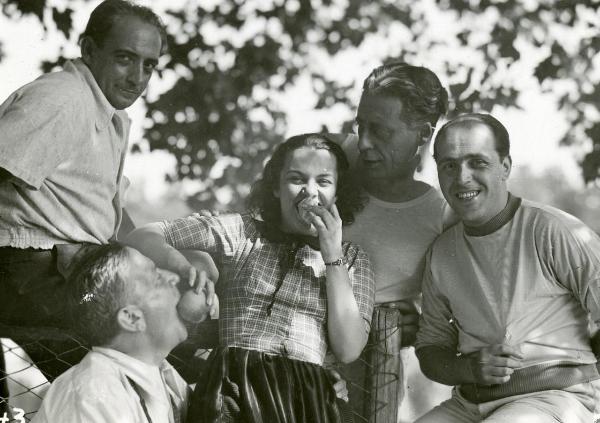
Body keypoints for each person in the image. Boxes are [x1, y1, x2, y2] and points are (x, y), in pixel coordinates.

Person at [125, 133, 375, 422]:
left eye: (323, 181)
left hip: (305, 400)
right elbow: (143, 235)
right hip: (234, 391)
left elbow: (348, 349)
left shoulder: (353, 260)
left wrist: (332, 255)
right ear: (276, 188)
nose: (310, 192)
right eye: (296, 179)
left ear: (337, 193)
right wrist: (183, 266)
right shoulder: (243, 233)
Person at [0, 0, 170, 381]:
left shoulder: (110, 114)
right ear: (89, 49)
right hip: (34, 272)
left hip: (75, 271)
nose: (137, 78)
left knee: (170, 326)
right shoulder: (63, 98)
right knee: (136, 356)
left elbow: (109, 216)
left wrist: (174, 261)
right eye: (125, 58)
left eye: (149, 65)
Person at [415, 113, 600, 422]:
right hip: (468, 405)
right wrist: (469, 369)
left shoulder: (552, 229)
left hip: (552, 398)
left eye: (477, 162)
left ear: (505, 166)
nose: (462, 178)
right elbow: (431, 348)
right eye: (449, 165)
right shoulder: (442, 251)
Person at [333, 62, 456, 422]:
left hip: (365, 379)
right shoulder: (327, 161)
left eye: (381, 131)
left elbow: (461, 313)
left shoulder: (441, 218)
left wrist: (423, 322)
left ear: (422, 134)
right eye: (361, 126)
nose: (365, 142)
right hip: (279, 348)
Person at [32, 243, 196, 423]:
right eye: (157, 278)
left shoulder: (159, 370)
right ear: (132, 319)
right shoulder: (93, 397)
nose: (173, 278)